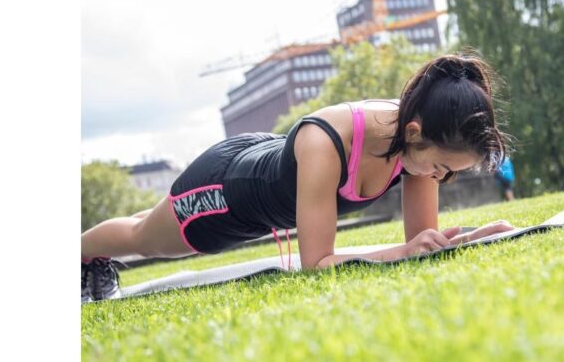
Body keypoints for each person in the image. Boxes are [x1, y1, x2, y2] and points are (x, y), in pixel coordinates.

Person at [81, 52, 516, 302]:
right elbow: (318, 264)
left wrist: (467, 239)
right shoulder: (327, 143)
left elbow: (420, 243)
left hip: (264, 163)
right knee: (145, 237)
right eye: (442, 168)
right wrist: (404, 250)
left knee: (147, 221)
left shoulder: (415, 141)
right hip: (226, 191)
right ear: (416, 134)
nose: (441, 178)